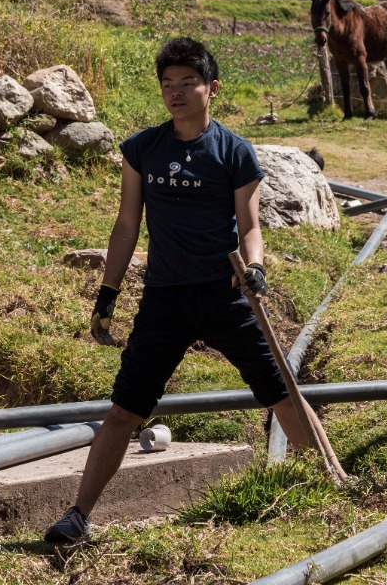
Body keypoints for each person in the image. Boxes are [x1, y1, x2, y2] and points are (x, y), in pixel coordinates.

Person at [44, 35, 330, 547]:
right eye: (167, 84)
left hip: (226, 295)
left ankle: (331, 490)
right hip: (165, 300)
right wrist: (108, 293)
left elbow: (250, 226)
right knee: (124, 410)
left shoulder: (234, 151)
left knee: (282, 392)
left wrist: (255, 267)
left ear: (211, 88)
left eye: (187, 82)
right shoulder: (143, 149)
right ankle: (78, 516)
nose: (175, 93)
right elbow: (126, 224)